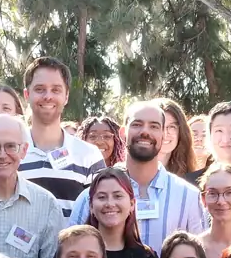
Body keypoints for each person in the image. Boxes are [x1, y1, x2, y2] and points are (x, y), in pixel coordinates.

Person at [71, 99, 209, 244]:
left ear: (163, 134)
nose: (145, 131)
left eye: (154, 126)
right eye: (137, 124)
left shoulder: (188, 197)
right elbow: (70, 252)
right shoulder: (91, 195)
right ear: (123, 133)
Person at [18, 57, 106, 215]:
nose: (48, 96)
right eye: (40, 89)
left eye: (56, 90)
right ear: (26, 94)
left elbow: (99, 216)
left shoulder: (89, 155)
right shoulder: (7, 153)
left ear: (66, 96)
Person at [77, 169, 160, 258]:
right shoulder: (74, 254)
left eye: (117, 196)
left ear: (132, 204)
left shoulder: (145, 256)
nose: (110, 203)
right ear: (91, 206)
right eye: (102, 197)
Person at [194, 163, 231, 258]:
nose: (221, 201)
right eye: (213, 193)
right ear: (203, 199)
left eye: (229, 192)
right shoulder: (192, 249)